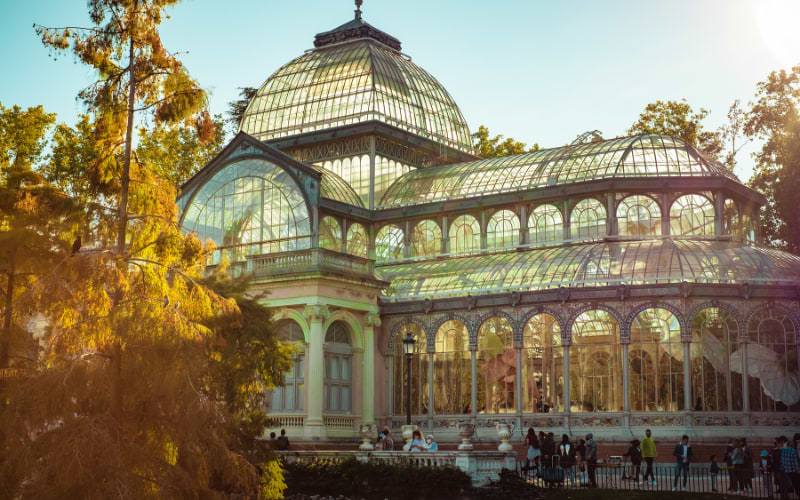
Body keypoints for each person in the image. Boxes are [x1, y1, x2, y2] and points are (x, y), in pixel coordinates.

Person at [778, 436, 799, 500]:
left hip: (787, 471)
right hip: (794, 471)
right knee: (797, 487)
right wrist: (797, 469)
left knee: (793, 487)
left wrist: (782, 468)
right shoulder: (792, 450)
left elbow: (781, 461)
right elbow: (795, 461)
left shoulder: (782, 450)